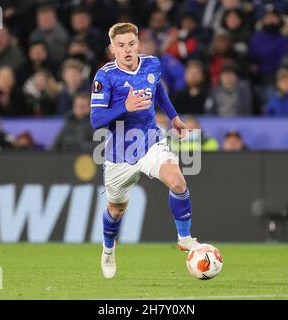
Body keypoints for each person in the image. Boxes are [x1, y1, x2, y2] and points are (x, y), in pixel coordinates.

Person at [90, 23, 200, 279]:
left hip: (150, 141)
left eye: (131, 44)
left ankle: (184, 238)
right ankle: (108, 249)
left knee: (178, 181)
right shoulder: (105, 76)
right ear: (112, 49)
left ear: (138, 44)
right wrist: (125, 107)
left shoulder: (152, 64)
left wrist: (173, 117)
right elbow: (96, 120)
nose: (127, 50)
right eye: (121, 46)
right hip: (119, 153)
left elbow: (157, 89)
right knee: (116, 210)